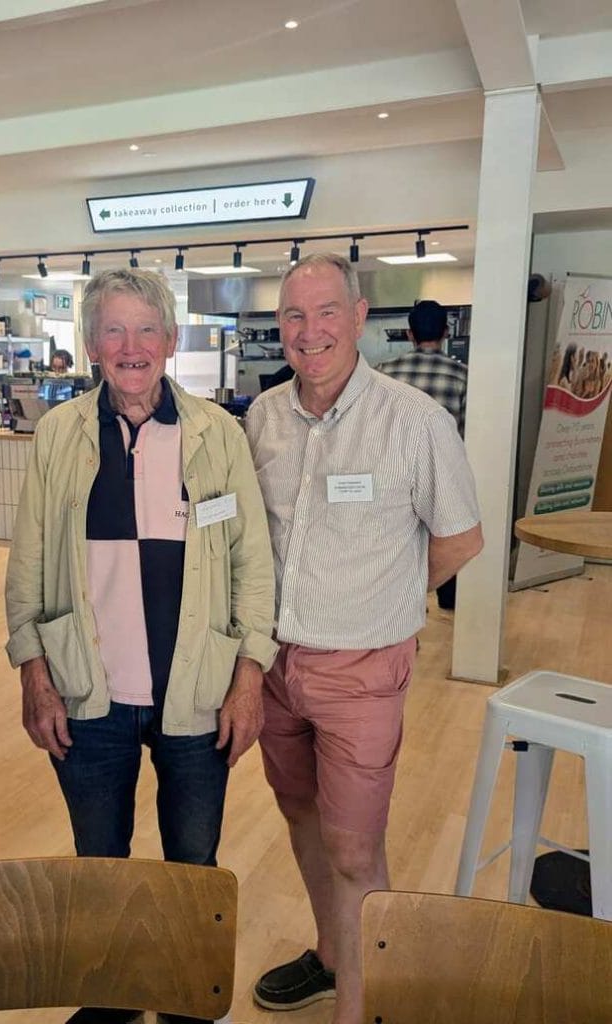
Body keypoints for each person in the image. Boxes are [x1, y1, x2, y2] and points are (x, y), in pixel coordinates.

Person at [6, 268, 277, 1024]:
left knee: (193, 866)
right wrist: (33, 673)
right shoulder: (59, 434)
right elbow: (28, 563)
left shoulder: (217, 433)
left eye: (146, 329)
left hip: (197, 690)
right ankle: (114, 998)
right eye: (114, 331)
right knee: (100, 867)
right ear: (92, 344)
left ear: (171, 339)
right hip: (88, 692)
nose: (132, 346)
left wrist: (249, 676)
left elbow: (252, 562)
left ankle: (188, 1000)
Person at [245, 254, 483, 1024]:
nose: (308, 331)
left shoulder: (413, 421)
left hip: (362, 671)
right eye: (293, 315)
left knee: (354, 848)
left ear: (357, 318)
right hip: (273, 667)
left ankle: (361, 1005)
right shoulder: (263, 417)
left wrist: (386, 600)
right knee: (298, 814)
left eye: (325, 312)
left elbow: (460, 537)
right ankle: (330, 955)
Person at [376, 299, 469, 610]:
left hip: (390, 475)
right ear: (446, 333)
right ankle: (446, 598)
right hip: (442, 476)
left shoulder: (384, 373)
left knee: (397, 542)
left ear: (409, 334)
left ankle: (404, 603)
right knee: (446, 533)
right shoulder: (462, 375)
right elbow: (466, 433)